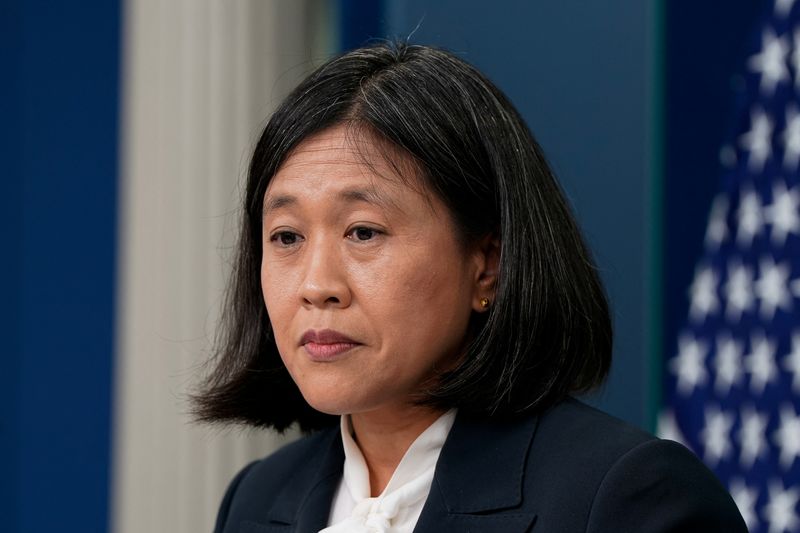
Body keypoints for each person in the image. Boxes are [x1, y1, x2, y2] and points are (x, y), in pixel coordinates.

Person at [196, 42, 747, 532]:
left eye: (363, 231)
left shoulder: (628, 499)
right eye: (286, 237)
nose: (317, 285)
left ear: (487, 263)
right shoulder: (257, 498)